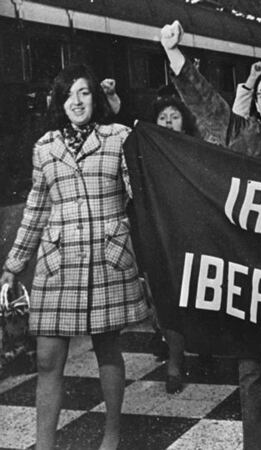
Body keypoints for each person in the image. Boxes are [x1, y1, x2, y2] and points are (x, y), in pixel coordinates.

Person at [160, 20, 261, 450]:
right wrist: (175, 54)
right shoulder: (243, 136)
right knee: (251, 368)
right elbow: (206, 105)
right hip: (248, 268)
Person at [0, 64, 148, 450]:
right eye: (68, 95)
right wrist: (13, 266)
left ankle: (111, 437)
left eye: (84, 93)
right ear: (58, 101)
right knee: (48, 358)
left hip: (107, 258)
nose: (77, 102)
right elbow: (36, 210)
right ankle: (45, 445)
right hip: (57, 262)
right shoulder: (45, 147)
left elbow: (140, 191)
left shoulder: (118, 137)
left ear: (94, 97)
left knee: (107, 349)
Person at [149, 95, 218, 394]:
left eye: (174, 115)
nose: (167, 121)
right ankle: (175, 362)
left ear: (185, 120)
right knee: (170, 298)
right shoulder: (149, 152)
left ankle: (204, 346)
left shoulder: (196, 150)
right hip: (164, 235)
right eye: (162, 116)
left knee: (200, 296)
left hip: (196, 233)